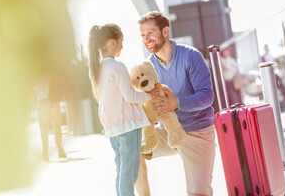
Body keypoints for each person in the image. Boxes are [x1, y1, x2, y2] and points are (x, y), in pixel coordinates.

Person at [136, 11, 216, 196]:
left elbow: (207, 96)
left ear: (165, 31)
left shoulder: (191, 56)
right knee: (132, 149)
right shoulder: (147, 67)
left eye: (150, 33)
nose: (146, 39)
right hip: (168, 132)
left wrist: (176, 103)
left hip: (198, 132)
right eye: (142, 35)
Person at [87, 24, 158, 196]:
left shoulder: (98, 70)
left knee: (121, 172)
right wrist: (150, 96)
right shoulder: (117, 67)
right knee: (129, 174)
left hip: (113, 128)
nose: (123, 46)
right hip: (128, 126)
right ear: (112, 42)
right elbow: (131, 96)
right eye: (121, 41)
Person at [34, 74, 67, 162]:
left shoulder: (34, 71)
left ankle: (45, 151)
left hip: (41, 102)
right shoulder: (49, 69)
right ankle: (60, 149)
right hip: (53, 101)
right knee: (57, 125)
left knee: (44, 128)